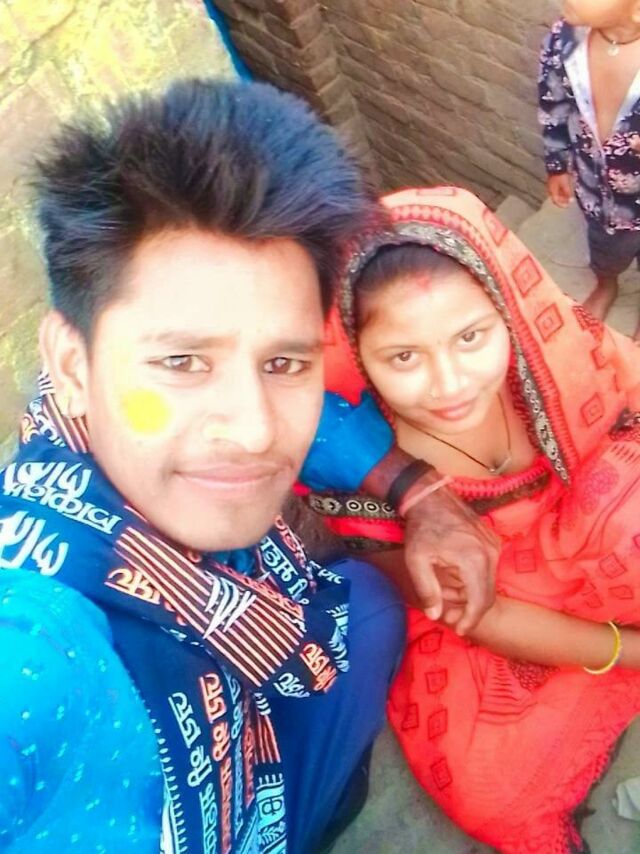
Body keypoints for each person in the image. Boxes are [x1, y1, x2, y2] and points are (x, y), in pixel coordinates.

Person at [0, 78, 500, 853]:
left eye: (283, 363)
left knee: (369, 605)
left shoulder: (83, 422)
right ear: (72, 364)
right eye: (182, 362)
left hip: (256, 756)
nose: (256, 430)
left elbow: (318, 413)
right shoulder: (36, 653)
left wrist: (421, 491)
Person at [304, 185, 640, 853]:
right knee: (488, 785)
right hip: (497, 601)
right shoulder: (359, 468)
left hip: (593, 535)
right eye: (404, 357)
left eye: (471, 337)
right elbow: (478, 614)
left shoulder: (549, 355)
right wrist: (628, 652)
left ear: (507, 313)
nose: (451, 384)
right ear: (360, 355)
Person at [539, 0, 640, 335]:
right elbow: (554, 104)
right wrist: (557, 164)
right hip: (596, 189)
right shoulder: (565, 40)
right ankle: (607, 283)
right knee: (604, 249)